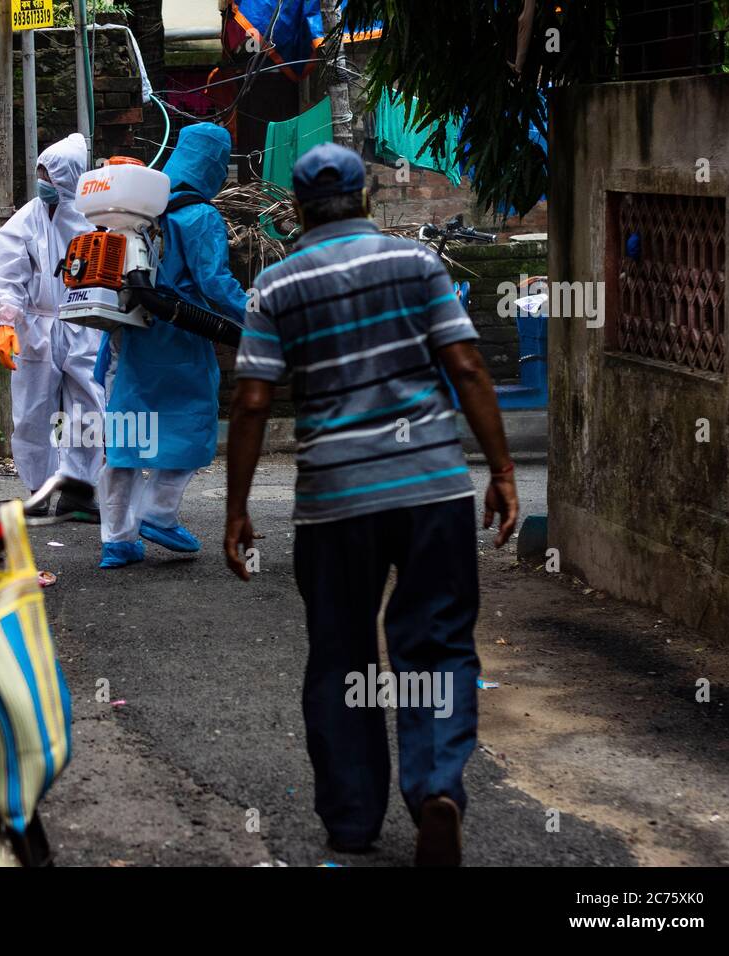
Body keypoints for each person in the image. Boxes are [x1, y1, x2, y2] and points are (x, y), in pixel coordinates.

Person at [224, 143, 519, 866]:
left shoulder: (275, 286)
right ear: (365, 200)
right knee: (437, 642)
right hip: (431, 488)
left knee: (340, 653)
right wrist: (503, 470)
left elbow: (254, 400)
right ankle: (438, 786)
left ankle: (354, 820)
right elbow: (467, 365)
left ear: (294, 209)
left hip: (335, 498)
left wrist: (237, 509)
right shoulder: (417, 266)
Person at [95, 123, 249, 568]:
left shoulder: (142, 208)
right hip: (179, 336)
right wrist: (257, 316)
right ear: (213, 165)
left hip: (129, 332)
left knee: (125, 431)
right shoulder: (201, 216)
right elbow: (215, 284)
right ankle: (159, 514)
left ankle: (117, 540)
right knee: (192, 419)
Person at [0, 132, 103, 517]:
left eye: (48, 176)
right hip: (37, 327)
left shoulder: (94, 217)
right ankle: (38, 490)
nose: (43, 184)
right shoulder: (27, 219)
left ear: (67, 178)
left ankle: (78, 492)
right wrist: (6, 321)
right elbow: (9, 275)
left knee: (89, 408)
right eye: (40, 175)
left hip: (84, 324)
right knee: (33, 411)